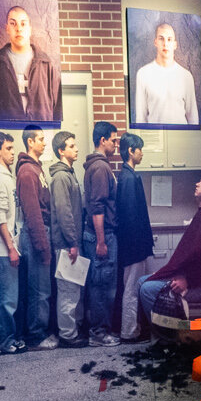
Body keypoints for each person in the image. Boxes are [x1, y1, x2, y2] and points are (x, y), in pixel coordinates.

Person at [138, 172, 201, 324]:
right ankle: (158, 332)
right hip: (192, 279)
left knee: (147, 289)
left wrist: (188, 280)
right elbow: (192, 258)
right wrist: (171, 274)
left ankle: (167, 334)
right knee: (141, 281)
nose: (197, 184)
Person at [0, 3, 60, 122]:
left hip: (41, 128)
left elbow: (57, 106)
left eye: (23, 24)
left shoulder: (45, 63)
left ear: (30, 29)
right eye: (13, 23)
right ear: (7, 28)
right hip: (8, 128)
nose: (18, 29)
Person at [14, 126, 56, 349]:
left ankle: (39, 331)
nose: (44, 143)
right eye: (40, 139)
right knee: (39, 290)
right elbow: (33, 213)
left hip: (42, 233)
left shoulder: (36, 169)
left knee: (43, 289)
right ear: (30, 142)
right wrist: (42, 246)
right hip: (36, 236)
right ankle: (36, 336)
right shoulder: (27, 172)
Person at [114, 132, 157, 339]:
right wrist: (139, 248)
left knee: (132, 287)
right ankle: (129, 332)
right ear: (131, 151)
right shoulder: (128, 178)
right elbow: (131, 217)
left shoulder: (127, 176)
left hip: (132, 246)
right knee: (131, 289)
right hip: (133, 247)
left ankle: (133, 329)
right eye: (140, 149)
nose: (142, 153)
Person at [47, 131, 87, 346]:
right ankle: (68, 335)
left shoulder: (69, 174)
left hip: (71, 244)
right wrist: (72, 242)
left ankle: (73, 331)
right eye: (71, 146)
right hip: (65, 245)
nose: (76, 149)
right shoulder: (62, 177)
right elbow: (64, 213)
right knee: (68, 292)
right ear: (61, 151)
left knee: (74, 290)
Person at [83, 121, 121, 345]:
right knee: (102, 286)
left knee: (103, 284)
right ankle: (98, 333)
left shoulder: (99, 166)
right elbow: (97, 207)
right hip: (102, 234)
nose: (116, 144)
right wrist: (101, 241)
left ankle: (101, 330)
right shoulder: (100, 168)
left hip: (103, 233)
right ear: (102, 140)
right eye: (113, 140)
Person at [0, 132, 24, 354]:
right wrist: (10, 248)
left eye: (12, 148)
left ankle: (9, 337)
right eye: (8, 148)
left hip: (11, 244)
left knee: (11, 298)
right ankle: (5, 341)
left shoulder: (6, 175)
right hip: (4, 248)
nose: (12, 152)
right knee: (6, 299)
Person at [131, 20, 198, 126]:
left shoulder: (186, 76)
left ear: (175, 44)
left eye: (169, 39)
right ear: (155, 42)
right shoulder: (143, 74)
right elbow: (141, 118)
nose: (165, 44)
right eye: (161, 38)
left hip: (182, 135)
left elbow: (193, 118)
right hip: (155, 135)